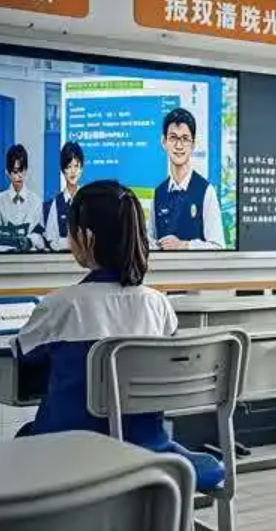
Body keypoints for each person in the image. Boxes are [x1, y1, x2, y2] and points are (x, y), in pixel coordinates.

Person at [14, 180, 178, 446]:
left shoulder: (60, 305)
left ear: (87, 238)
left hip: (66, 450)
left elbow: (20, 360)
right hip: (145, 450)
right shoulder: (159, 305)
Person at [150, 108, 225, 250]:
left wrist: (184, 245)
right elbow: (150, 241)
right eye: (173, 138)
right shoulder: (158, 193)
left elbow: (218, 247)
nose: (179, 146)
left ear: (193, 144)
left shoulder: (206, 191)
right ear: (164, 142)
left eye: (185, 139)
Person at [0, 144, 43, 252]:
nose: (19, 175)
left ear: (26, 170)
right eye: (15, 171)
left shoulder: (36, 202)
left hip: (31, 258)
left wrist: (29, 241)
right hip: (5, 258)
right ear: (7, 172)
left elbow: (40, 236)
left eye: (22, 170)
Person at [43, 141, 84, 251]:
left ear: (82, 169)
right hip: (61, 260)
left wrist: (63, 241)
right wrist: (75, 243)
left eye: (76, 166)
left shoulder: (88, 200)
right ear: (63, 170)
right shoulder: (56, 203)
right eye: (69, 166)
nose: (73, 171)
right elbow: (52, 241)